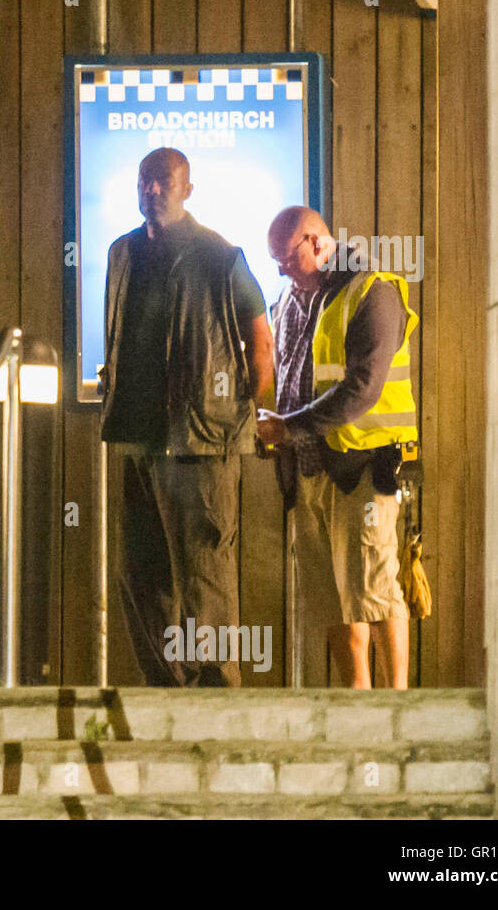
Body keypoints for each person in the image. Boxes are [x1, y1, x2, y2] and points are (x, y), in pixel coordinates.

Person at [97, 147, 273, 687]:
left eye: (164, 182)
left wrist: (237, 412)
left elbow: (260, 342)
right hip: (140, 437)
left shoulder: (221, 255)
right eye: (145, 181)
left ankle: (216, 693)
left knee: (205, 573)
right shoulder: (121, 251)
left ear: (188, 189)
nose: (153, 190)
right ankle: (166, 689)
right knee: (140, 574)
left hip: (201, 440)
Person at [257, 206, 417, 689]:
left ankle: (397, 711)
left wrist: (288, 427)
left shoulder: (373, 291)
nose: (282, 271)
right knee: (334, 606)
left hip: (362, 469)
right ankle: (358, 711)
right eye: (277, 264)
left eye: (287, 259)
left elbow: (363, 388)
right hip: (307, 475)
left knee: (376, 592)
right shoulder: (287, 299)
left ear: (316, 242)